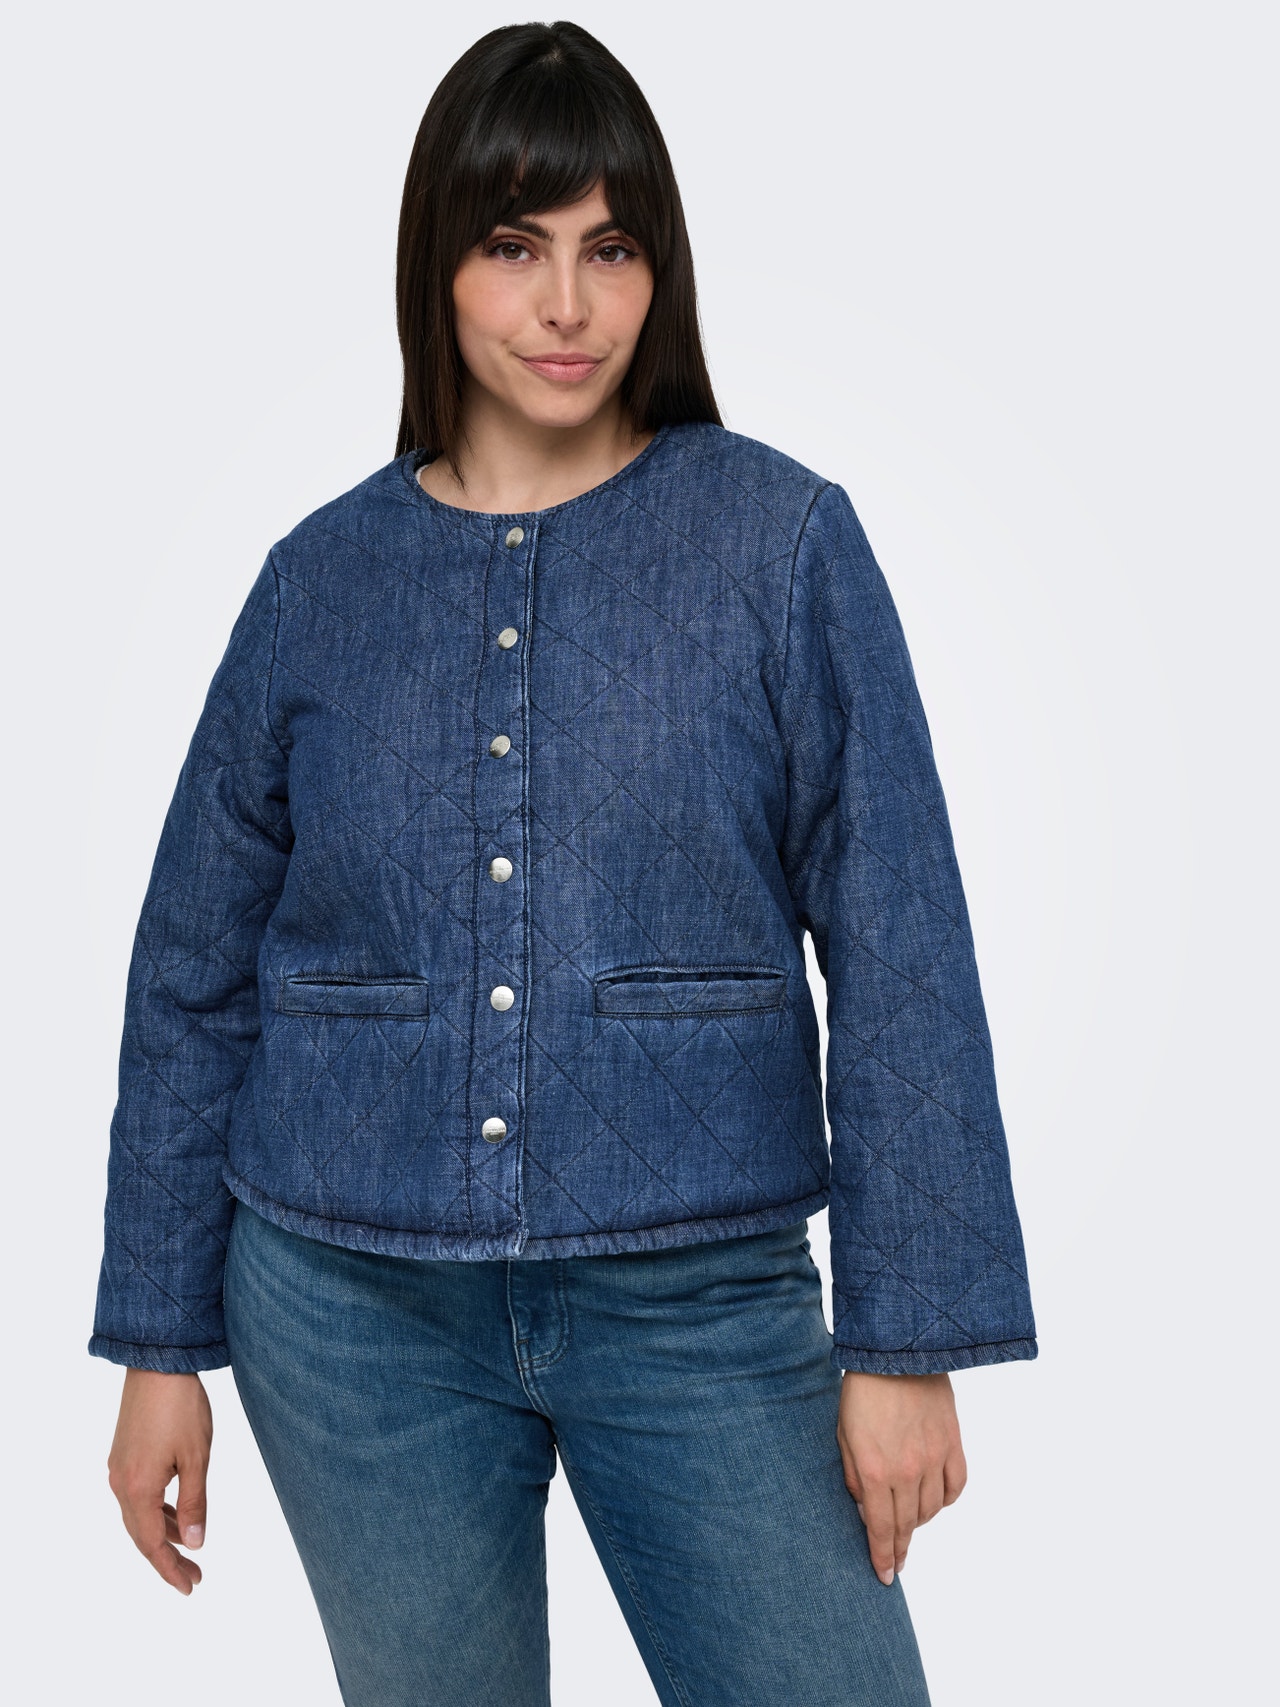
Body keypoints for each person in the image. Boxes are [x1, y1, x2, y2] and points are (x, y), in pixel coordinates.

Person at [93, 20, 1037, 1707]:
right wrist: (161, 1342)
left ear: (661, 272)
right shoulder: (318, 583)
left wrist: (906, 1340)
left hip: (704, 1301)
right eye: (514, 247)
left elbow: (900, 936)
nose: (567, 305)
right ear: (437, 269)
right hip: (346, 1312)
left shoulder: (778, 542)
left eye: (612, 250)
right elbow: (193, 974)